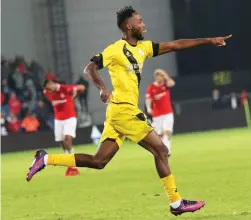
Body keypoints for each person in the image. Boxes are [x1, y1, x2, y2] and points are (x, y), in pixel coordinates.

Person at [26, 6, 231, 216]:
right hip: (124, 110)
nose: (145, 25)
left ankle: (46, 159)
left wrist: (209, 40)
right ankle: (176, 202)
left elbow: (176, 45)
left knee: (99, 161)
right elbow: (90, 68)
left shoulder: (143, 48)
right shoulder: (115, 49)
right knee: (161, 150)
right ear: (129, 26)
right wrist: (103, 87)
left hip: (118, 112)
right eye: (140, 21)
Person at [42, 79, 85, 176]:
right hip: (58, 120)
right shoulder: (46, 92)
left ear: (53, 84)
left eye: (50, 87)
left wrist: (74, 96)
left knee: (67, 139)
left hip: (70, 118)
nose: (49, 90)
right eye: (47, 89)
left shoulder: (65, 89)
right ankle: (68, 158)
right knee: (61, 142)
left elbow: (82, 87)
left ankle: (73, 164)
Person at [145, 69, 175, 156]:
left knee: (167, 131)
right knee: (159, 134)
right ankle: (162, 150)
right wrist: (148, 108)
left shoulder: (166, 85)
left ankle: (168, 150)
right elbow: (148, 99)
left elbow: (172, 83)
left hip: (168, 113)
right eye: (158, 75)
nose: (160, 77)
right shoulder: (151, 87)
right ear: (156, 77)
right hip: (157, 114)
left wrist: (166, 75)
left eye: (161, 75)